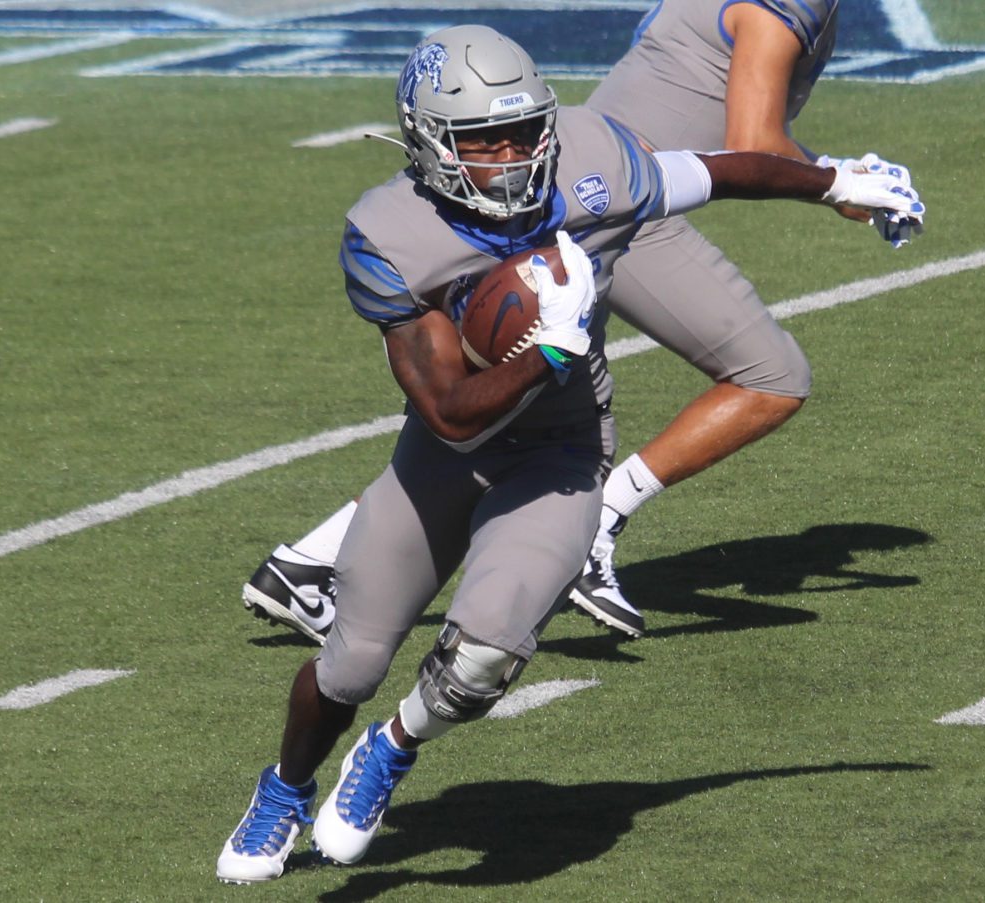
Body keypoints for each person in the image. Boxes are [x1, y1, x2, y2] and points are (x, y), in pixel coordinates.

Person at [215, 24, 922, 884]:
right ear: (430, 142)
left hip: (561, 451)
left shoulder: (594, 159)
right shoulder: (389, 232)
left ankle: (390, 748)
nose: (512, 156)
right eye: (483, 140)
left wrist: (835, 180)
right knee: (354, 658)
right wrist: (541, 350)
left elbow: (722, 170)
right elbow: (445, 412)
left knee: (480, 661)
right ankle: (284, 788)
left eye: (523, 132)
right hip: (447, 455)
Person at [240, 0, 919, 645]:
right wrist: (843, 186)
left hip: (589, 177)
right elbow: (753, 141)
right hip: (616, 197)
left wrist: (836, 178)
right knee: (771, 377)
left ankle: (308, 561)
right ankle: (600, 519)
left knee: (511, 414)